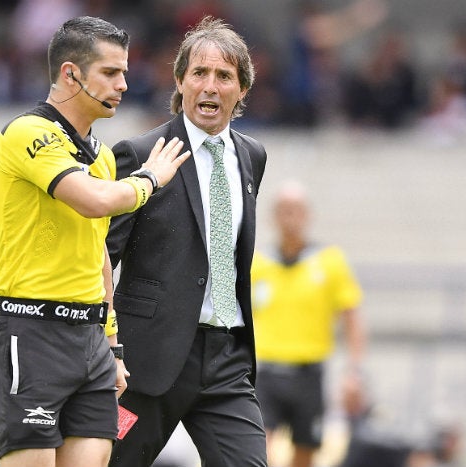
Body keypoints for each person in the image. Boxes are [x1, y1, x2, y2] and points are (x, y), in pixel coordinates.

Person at [0, 16, 191, 467]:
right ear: (71, 74)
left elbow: (99, 257)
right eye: (110, 73)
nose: (124, 84)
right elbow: (92, 201)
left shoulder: (103, 155)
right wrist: (150, 179)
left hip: (89, 342)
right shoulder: (28, 133)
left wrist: (112, 345)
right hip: (32, 334)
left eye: (125, 72)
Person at [106, 16, 269, 467]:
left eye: (224, 76)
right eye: (199, 73)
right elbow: (101, 257)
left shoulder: (253, 156)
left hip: (226, 361)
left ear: (241, 90)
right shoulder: (140, 154)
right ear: (180, 81)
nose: (210, 86)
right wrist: (107, 345)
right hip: (145, 361)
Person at [250, 179, 367, 467]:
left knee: (305, 453)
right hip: (266, 372)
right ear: (273, 217)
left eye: (297, 210)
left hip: (309, 373)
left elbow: (351, 317)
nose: (290, 217)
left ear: (308, 215)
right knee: (256, 450)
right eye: (284, 210)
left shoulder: (329, 262)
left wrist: (354, 371)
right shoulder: (258, 263)